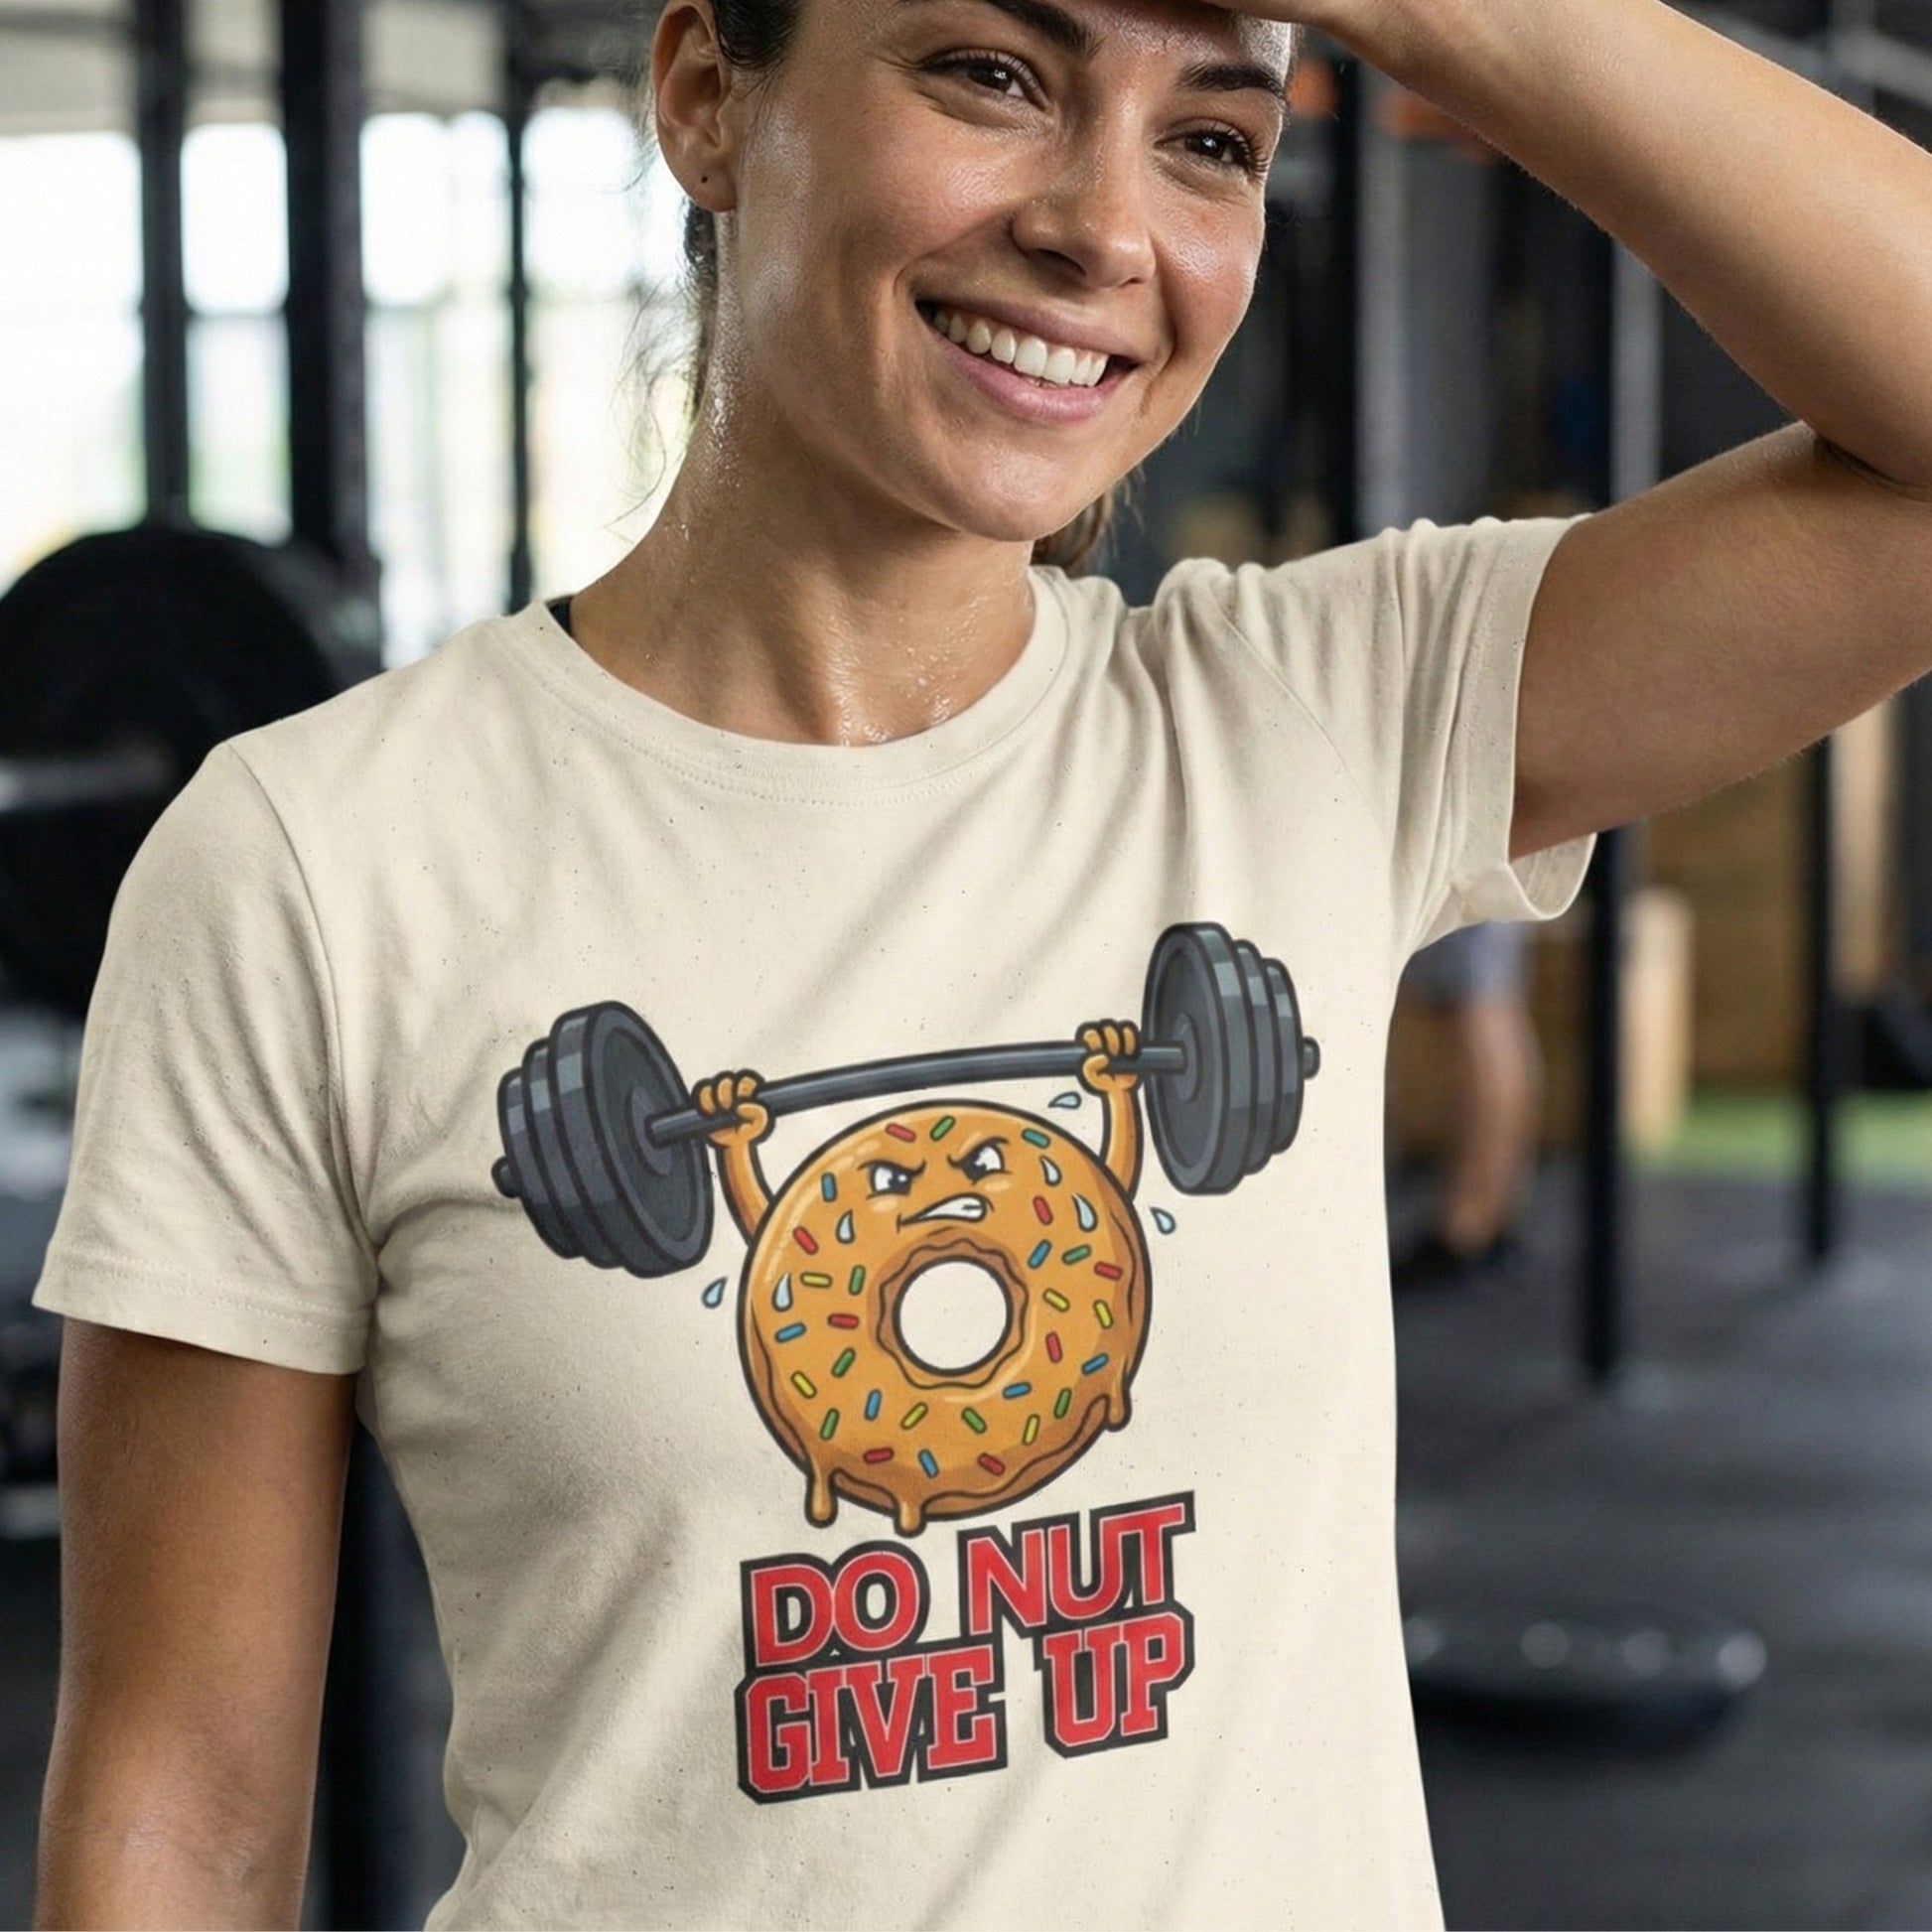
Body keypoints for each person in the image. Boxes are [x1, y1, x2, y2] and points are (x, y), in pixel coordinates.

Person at [29, 0, 1932, 1921]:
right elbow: (180, 1811)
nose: (1107, 231)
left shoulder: (1322, 721)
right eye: (992, 77)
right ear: (704, 94)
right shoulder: (311, 862)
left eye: (1212, 139)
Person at [1393, 920, 1542, 1289]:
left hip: (1473, 870)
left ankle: (1468, 1227)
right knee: (1483, 1004)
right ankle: (1484, 1218)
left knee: (1475, 1003)